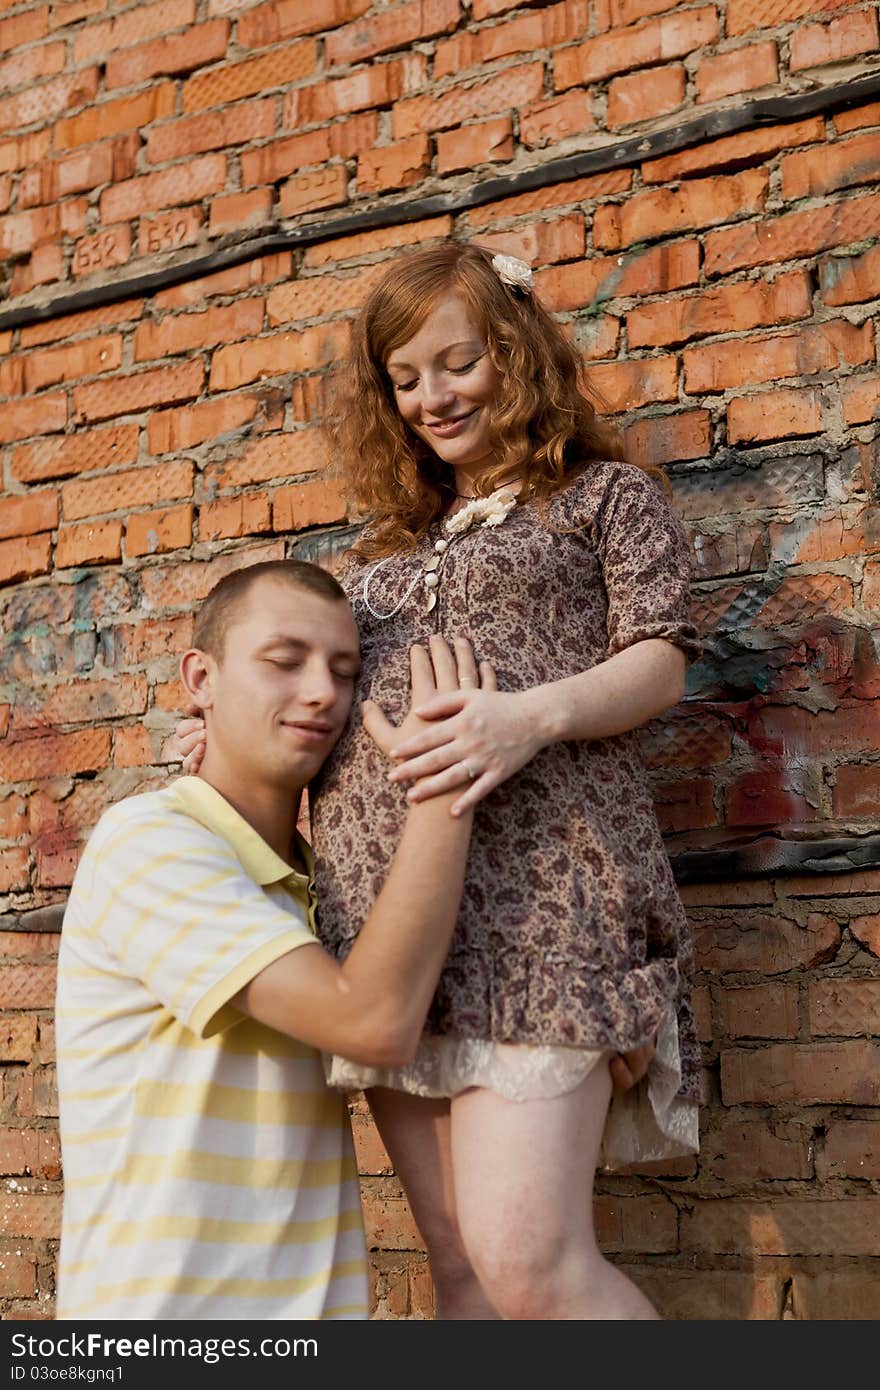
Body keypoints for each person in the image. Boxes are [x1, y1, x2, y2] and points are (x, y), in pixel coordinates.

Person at [181, 242, 702, 1321]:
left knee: (529, 1265)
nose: (430, 398)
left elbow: (660, 656)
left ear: (515, 351)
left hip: (542, 912)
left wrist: (527, 716)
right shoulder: (380, 548)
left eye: (454, 364)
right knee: (460, 1275)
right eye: (404, 379)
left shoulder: (604, 500)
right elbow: (309, 702)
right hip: (387, 934)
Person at [54, 558, 494, 1321]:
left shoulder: (315, 890)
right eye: (284, 662)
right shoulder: (152, 844)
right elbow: (373, 1022)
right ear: (202, 678)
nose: (323, 692)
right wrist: (442, 781)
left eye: (346, 671)